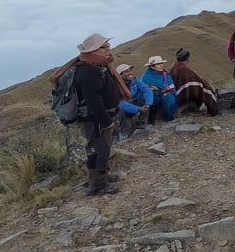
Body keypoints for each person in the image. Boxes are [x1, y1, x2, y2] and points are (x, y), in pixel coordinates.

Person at [49, 33, 130, 196]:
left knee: (103, 149)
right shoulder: (87, 72)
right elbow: (93, 100)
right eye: (104, 47)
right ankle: (98, 186)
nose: (109, 50)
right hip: (94, 119)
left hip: (99, 118)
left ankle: (102, 176)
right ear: (93, 51)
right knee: (97, 150)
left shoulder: (97, 66)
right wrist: (106, 121)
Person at [171, 47, 220, 117]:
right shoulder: (183, 70)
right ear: (187, 58)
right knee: (206, 89)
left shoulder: (175, 66)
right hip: (181, 98)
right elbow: (198, 84)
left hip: (177, 94)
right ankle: (213, 111)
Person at [115, 63, 154, 137]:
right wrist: (138, 109)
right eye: (126, 72)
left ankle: (141, 124)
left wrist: (148, 104)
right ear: (120, 75)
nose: (130, 73)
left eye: (130, 70)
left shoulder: (135, 81)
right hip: (124, 108)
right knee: (120, 110)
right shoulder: (116, 86)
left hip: (133, 104)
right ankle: (123, 132)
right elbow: (120, 103)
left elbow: (147, 90)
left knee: (144, 100)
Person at [141, 56, 177, 123]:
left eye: (161, 63)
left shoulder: (166, 73)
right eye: (158, 64)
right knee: (159, 99)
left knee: (170, 97)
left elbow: (171, 85)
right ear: (152, 66)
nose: (161, 66)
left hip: (167, 93)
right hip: (155, 96)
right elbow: (145, 89)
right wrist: (161, 91)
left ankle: (170, 115)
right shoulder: (146, 76)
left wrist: (169, 89)